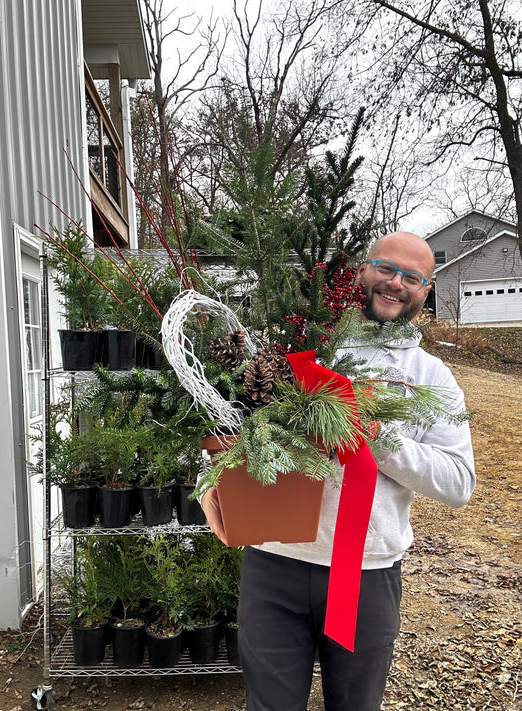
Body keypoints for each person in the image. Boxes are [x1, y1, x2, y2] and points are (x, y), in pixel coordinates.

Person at [201, 231, 475, 711]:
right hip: (273, 564)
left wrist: (375, 440)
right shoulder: (303, 345)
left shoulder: (432, 377)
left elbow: (458, 483)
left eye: (412, 277)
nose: (395, 284)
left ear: (426, 291)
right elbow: (225, 420)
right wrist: (207, 485)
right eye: (385, 268)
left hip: (362, 575)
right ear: (362, 272)